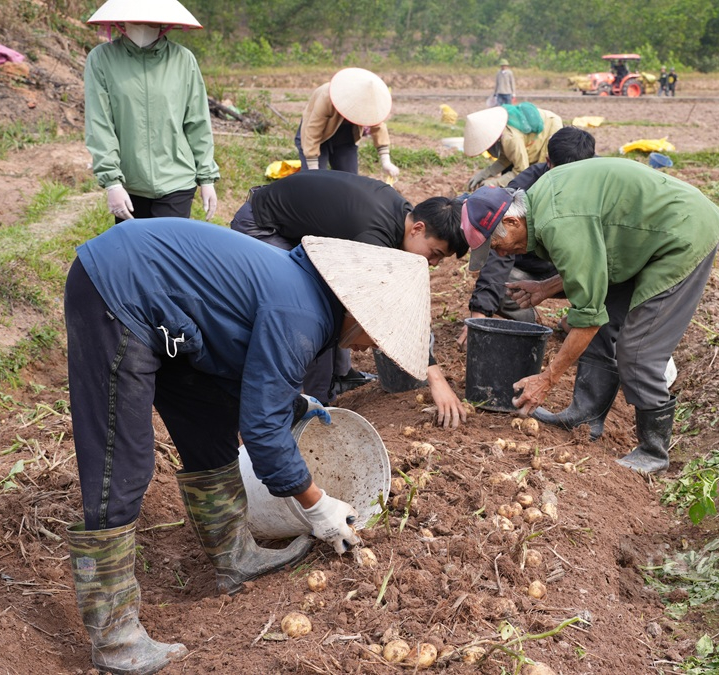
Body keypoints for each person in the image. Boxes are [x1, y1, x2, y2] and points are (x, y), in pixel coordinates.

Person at [64, 218, 430, 674]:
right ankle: (114, 638)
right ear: (360, 311)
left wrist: (290, 401)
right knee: (123, 463)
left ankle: (234, 558)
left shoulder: (306, 295)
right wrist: (317, 506)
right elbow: (261, 432)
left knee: (209, 419)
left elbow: (247, 371)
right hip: (120, 292)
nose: (369, 345)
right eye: (377, 336)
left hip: (171, 313)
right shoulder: (303, 313)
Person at [460, 158, 719, 474]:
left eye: (497, 244)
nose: (500, 254)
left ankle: (653, 451)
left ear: (513, 222)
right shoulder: (541, 203)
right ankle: (585, 414)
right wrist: (546, 287)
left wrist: (548, 378)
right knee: (607, 327)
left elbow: (588, 316)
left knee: (638, 350)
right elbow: (595, 265)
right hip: (641, 239)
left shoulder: (558, 222)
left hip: (681, 233)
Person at [230, 170, 471, 427]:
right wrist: (436, 379)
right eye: (434, 253)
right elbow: (385, 311)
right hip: (263, 226)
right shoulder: (373, 237)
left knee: (334, 306)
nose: (432, 263)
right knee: (314, 313)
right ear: (418, 229)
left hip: (293, 225)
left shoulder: (402, 216)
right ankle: (312, 407)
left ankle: (339, 377)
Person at [83, 0, 219, 223]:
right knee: (135, 254)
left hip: (177, 180)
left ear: (164, 23)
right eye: (137, 19)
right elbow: (99, 123)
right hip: (130, 183)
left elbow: (197, 121)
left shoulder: (183, 59)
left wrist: (206, 178)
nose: (143, 25)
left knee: (169, 254)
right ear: (121, 21)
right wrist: (112, 182)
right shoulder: (101, 59)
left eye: (151, 20)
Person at [457, 127, 595, 346]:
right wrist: (479, 313)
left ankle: (578, 319)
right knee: (503, 288)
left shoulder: (601, 185)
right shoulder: (525, 187)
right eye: (562, 174)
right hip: (536, 269)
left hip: (582, 267)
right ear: (548, 162)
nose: (569, 183)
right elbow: (501, 246)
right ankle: (533, 326)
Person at [297, 67, 399, 180]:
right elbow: (313, 131)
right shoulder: (327, 96)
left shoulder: (370, 101)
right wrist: (313, 169)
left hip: (345, 136)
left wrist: (386, 161)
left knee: (349, 180)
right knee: (315, 181)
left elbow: (378, 127)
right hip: (316, 136)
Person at [464, 104, 562, 190]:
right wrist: (484, 174)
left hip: (549, 128)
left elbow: (522, 171)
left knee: (541, 174)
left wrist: (495, 183)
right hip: (537, 131)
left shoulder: (510, 138)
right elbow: (504, 159)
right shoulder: (501, 134)